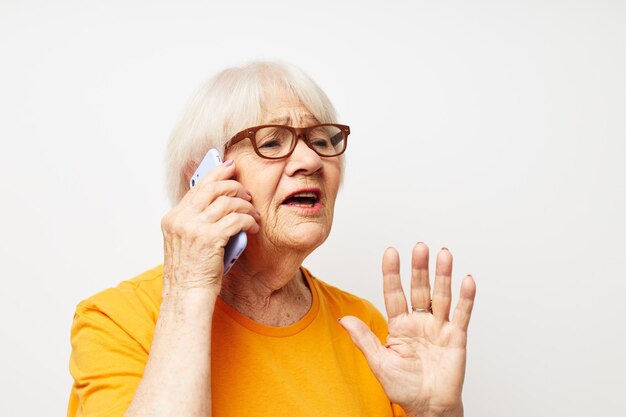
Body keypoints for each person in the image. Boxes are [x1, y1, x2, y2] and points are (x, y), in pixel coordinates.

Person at [67, 61, 477, 417]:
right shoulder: (116, 321)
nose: (312, 160)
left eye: (320, 140)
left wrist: (436, 412)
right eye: (272, 142)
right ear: (206, 178)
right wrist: (189, 288)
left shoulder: (366, 330)